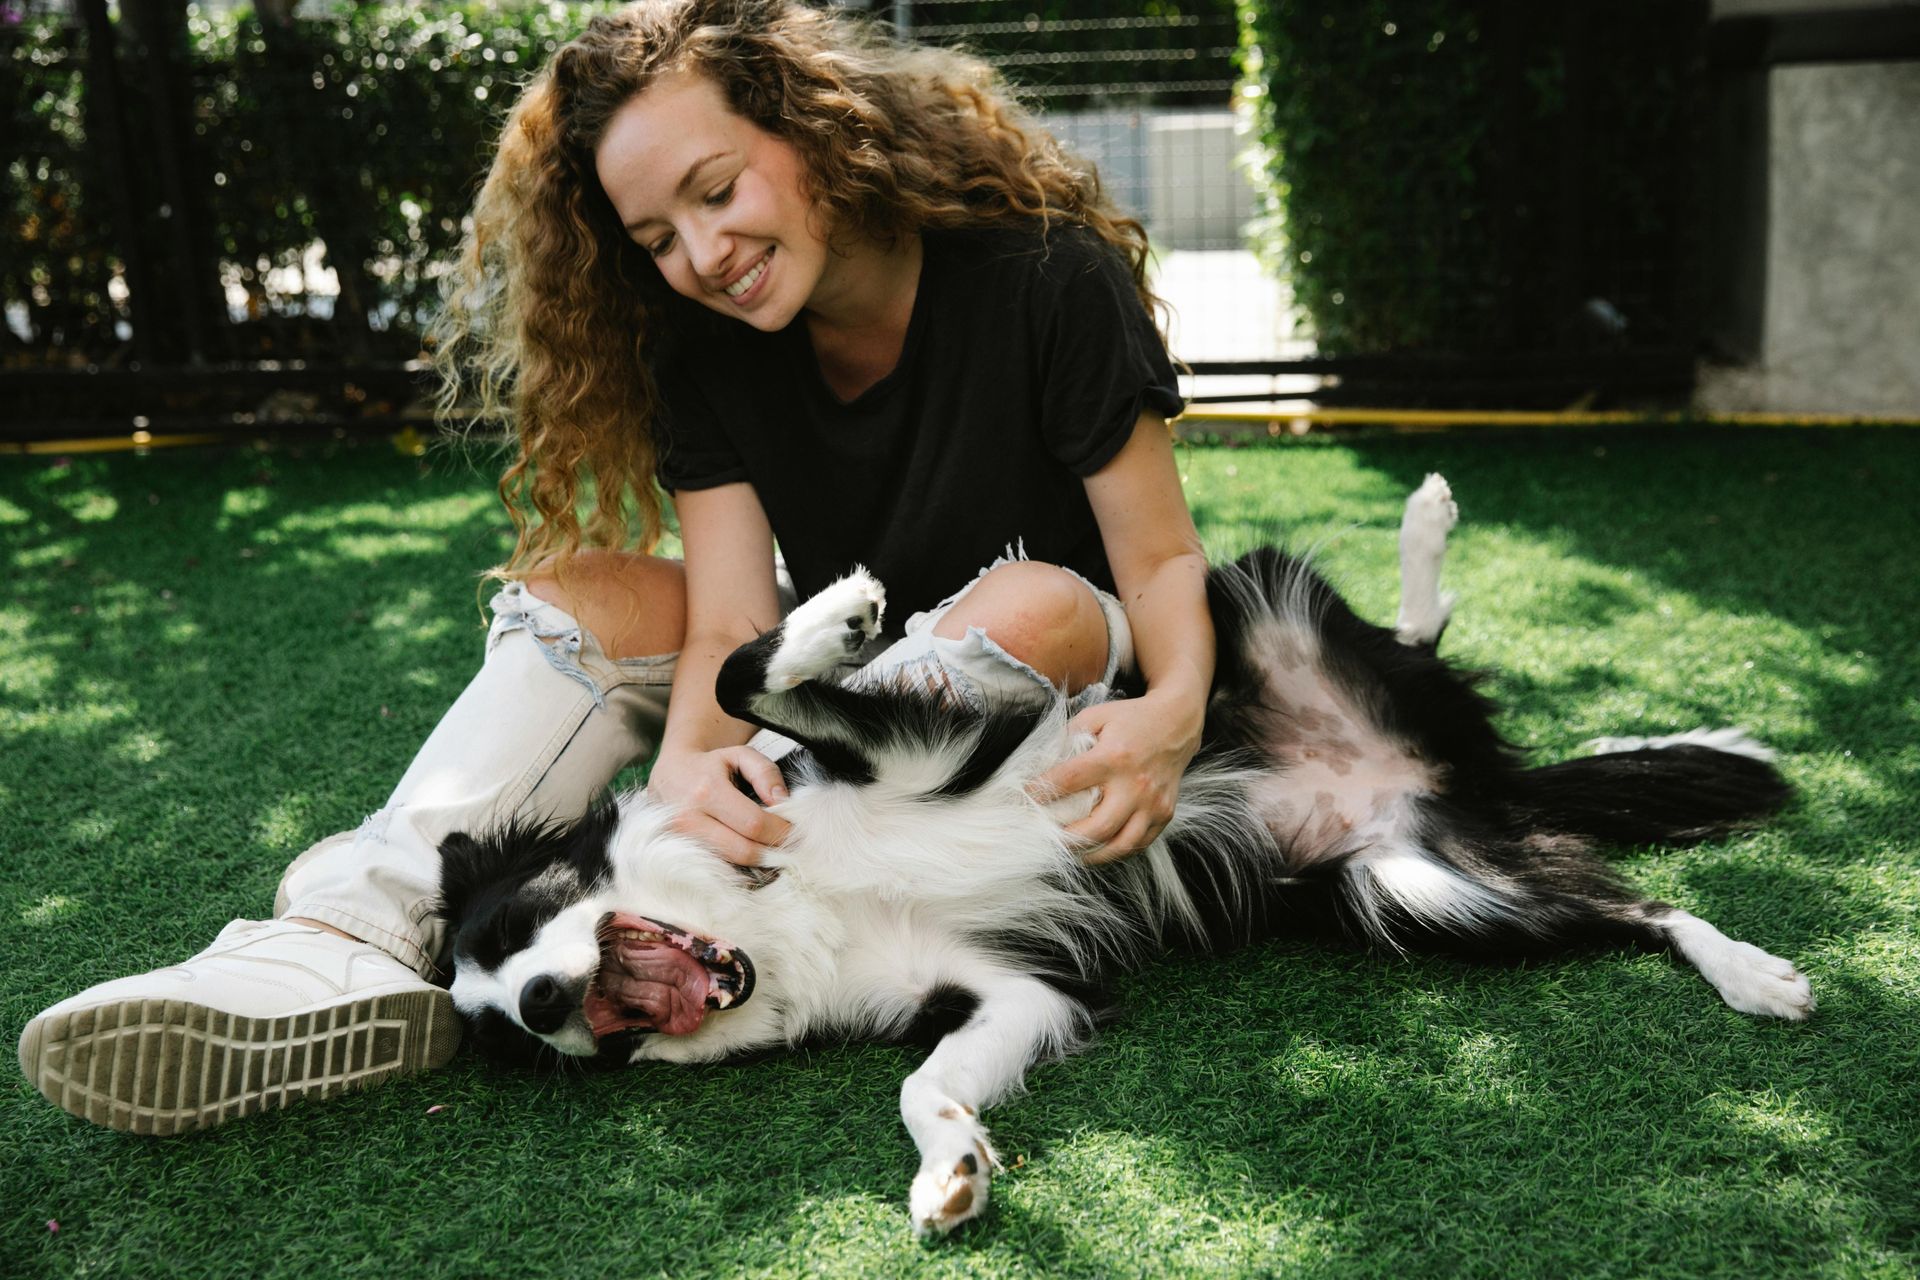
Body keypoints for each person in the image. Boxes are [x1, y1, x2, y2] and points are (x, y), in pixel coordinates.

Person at [18, 0, 1212, 1134]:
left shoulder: (1045, 274)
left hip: (1054, 664)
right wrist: (698, 767)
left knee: (1031, 601)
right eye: (657, 238)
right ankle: (344, 935)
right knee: (573, 591)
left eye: (719, 190)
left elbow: (1157, 558)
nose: (705, 252)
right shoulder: (709, 344)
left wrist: (1172, 712)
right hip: (843, 655)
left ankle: (801, 821)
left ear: (814, 130)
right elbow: (728, 616)